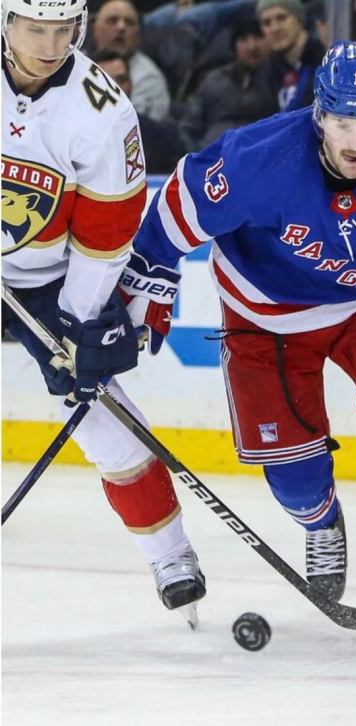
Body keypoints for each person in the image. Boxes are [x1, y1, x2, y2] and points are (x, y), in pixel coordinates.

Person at [124, 41, 356, 624]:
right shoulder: (260, 157)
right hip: (262, 315)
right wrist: (149, 273)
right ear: (320, 114)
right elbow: (181, 202)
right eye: (344, 122)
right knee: (295, 477)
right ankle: (321, 523)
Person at [1, 0, 206, 624]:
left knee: (98, 413)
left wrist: (76, 320)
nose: (50, 44)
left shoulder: (102, 111)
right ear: (5, 22)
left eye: (63, 29)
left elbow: (106, 237)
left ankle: (171, 555)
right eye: (35, 28)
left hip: (54, 276)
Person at [179, 13, 276, 149]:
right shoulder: (215, 80)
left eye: (258, 37)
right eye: (243, 40)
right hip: (211, 154)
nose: (252, 46)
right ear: (234, 47)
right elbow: (188, 127)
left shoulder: (277, 79)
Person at [90, 48, 188, 173]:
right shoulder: (69, 138)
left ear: (131, 85)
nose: (115, 88)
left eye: (121, 80)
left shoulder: (162, 139)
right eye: (105, 81)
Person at [90, 0, 171, 120]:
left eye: (129, 23)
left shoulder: (149, 79)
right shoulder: (79, 60)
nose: (121, 27)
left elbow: (135, 126)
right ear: (95, 29)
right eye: (112, 20)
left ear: (138, 34)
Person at [256, 0, 324, 112]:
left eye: (281, 18)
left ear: (299, 20)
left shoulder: (324, 61)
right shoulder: (269, 71)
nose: (275, 29)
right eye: (267, 23)